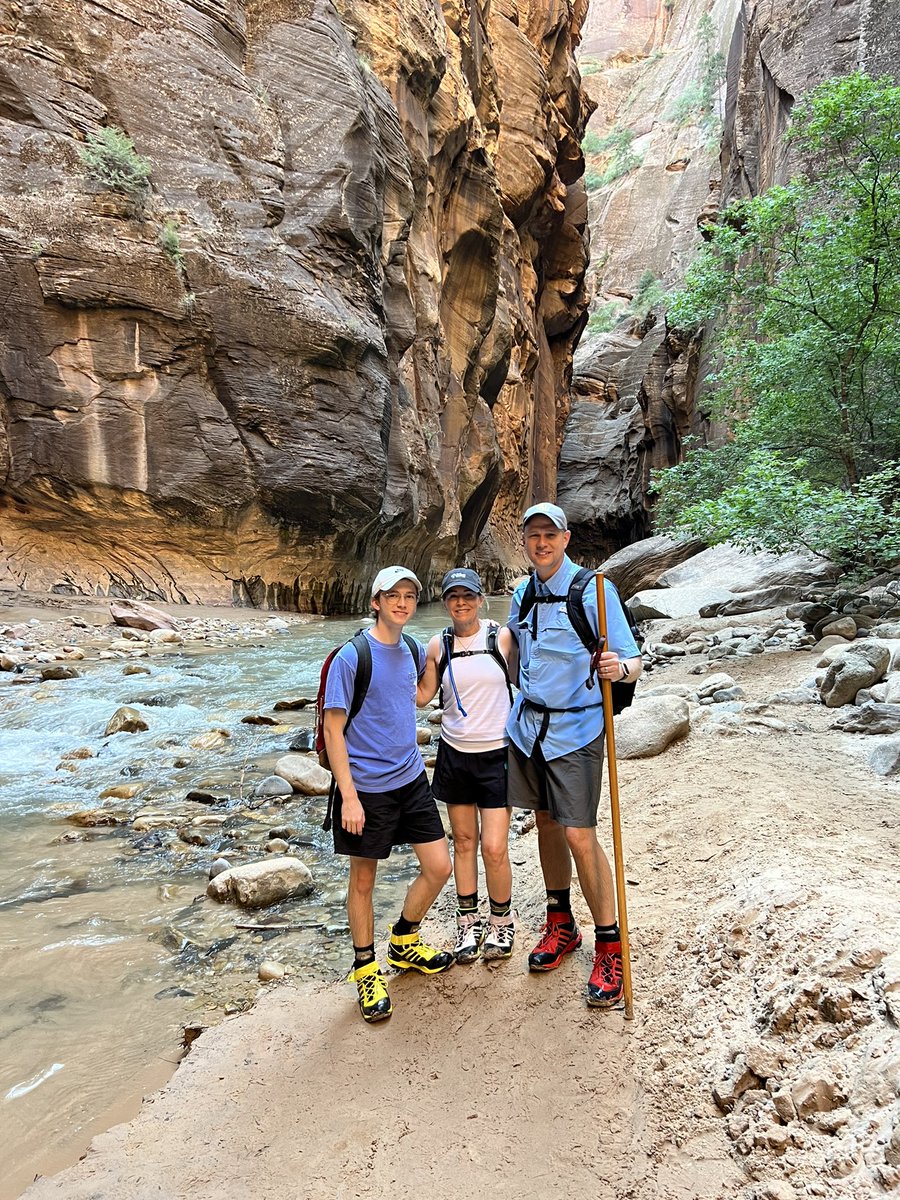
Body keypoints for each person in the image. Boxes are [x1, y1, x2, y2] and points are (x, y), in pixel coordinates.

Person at [507, 503, 642, 1008]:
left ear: (565, 539)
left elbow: (635, 663)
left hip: (577, 729)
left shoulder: (596, 591)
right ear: (524, 542)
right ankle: (561, 922)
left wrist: (618, 667)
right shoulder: (521, 594)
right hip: (529, 729)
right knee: (545, 823)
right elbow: (518, 653)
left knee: (580, 834)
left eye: (549, 534)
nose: (540, 543)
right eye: (532, 535)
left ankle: (610, 944)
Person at [323, 565, 454, 1024]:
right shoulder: (352, 657)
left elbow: (418, 697)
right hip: (368, 788)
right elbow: (333, 730)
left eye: (410, 596)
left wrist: (439, 658)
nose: (402, 603)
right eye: (392, 595)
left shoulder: (414, 648)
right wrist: (351, 796)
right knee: (362, 882)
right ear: (375, 601)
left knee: (440, 866)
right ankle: (365, 969)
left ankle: (403, 941)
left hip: (410, 777)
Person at [418, 568, 518, 964]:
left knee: (494, 847)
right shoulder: (438, 644)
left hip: (498, 754)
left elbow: (529, 678)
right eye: (453, 596)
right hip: (455, 756)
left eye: (468, 595)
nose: (461, 602)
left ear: (481, 599)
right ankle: (468, 922)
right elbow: (423, 695)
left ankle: (502, 922)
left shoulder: (501, 637)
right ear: (446, 602)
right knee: (463, 842)